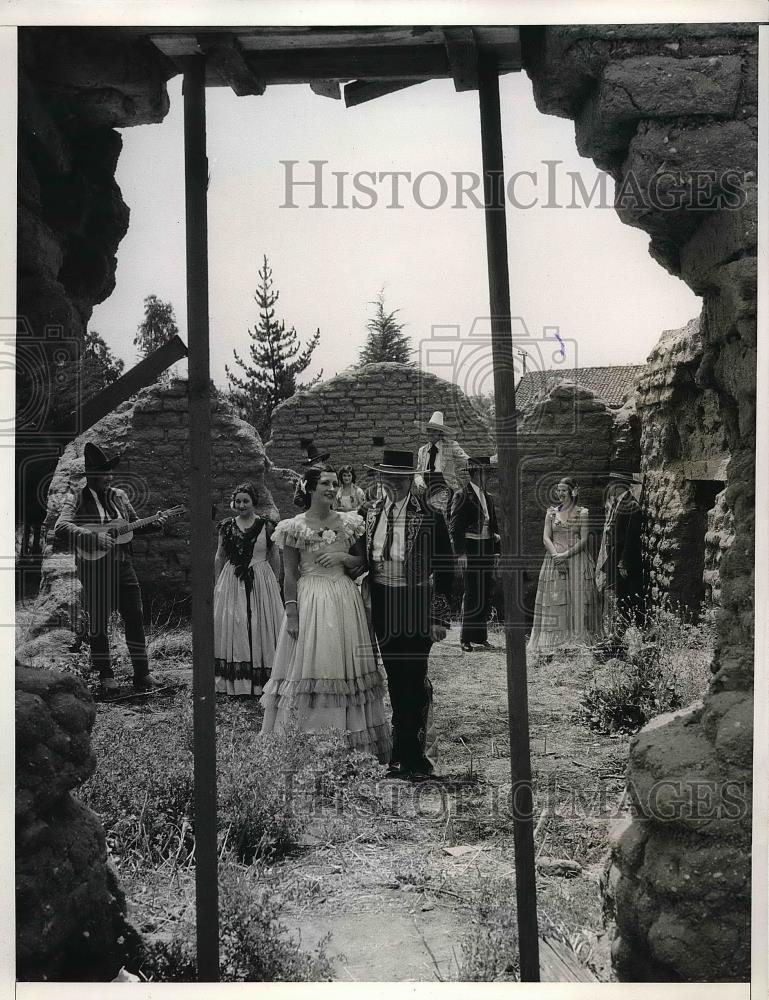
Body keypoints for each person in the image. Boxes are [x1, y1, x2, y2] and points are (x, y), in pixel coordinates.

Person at [260, 465, 391, 762]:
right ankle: (307, 743)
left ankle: (349, 744)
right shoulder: (293, 526)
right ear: (309, 488)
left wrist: (343, 556)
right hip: (310, 600)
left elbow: (362, 562)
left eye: (334, 484)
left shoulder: (350, 522)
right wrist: (291, 612)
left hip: (344, 598)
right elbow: (290, 575)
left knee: (342, 667)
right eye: (325, 484)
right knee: (312, 666)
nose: (332, 489)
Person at [363, 449, 454, 779]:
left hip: (416, 603)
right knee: (395, 677)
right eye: (387, 478)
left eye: (400, 478)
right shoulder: (371, 512)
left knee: (414, 679)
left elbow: (446, 567)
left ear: (411, 479)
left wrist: (439, 617)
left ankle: (415, 758)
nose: (393, 484)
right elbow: (365, 559)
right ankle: (398, 753)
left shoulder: (429, 515)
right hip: (384, 604)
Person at [54, 441, 168, 695]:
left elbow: (134, 525)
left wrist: (155, 522)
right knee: (99, 623)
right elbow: (61, 527)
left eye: (109, 473)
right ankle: (106, 676)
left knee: (135, 618)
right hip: (94, 569)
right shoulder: (76, 497)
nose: (108, 477)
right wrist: (93, 537)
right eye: (103, 473)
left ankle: (142, 674)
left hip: (123, 566)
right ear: (91, 476)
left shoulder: (119, 496)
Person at [213, 481, 284, 697]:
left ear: (254, 502)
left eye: (246, 501)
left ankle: (264, 679)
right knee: (237, 623)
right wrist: (218, 585)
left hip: (261, 579)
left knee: (260, 624)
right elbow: (220, 556)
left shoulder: (267, 526)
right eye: (238, 501)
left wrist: (275, 583)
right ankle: (237, 682)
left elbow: (274, 556)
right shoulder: (226, 526)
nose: (242, 505)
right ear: (234, 503)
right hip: (232, 580)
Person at [527, 476, 600, 656]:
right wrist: (556, 556)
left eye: (564, 491)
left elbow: (583, 540)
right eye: (558, 490)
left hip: (575, 559)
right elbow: (546, 537)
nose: (560, 494)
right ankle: (555, 641)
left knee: (577, 598)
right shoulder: (551, 512)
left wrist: (565, 555)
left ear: (573, 492)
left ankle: (577, 639)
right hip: (554, 559)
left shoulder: (582, 513)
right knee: (555, 598)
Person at [449, 457, 501, 652]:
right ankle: (465, 638)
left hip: (487, 547)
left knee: (484, 591)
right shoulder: (462, 495)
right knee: (471, 592)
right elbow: (455, 527)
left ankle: (480, 636)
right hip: (470, 548)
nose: (488, 476)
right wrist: (460, 553)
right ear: (478, 473)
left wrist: (496, 550)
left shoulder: (487, 496)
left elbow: (493, 524)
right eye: (486, 472)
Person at [594, 470, 644, 658]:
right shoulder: (617, 504)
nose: (610, 487)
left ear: (622, 486)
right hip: (614, 556)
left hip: (624, 560)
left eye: (613, 484)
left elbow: (631, 537)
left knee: (624, 596)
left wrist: (623, 562)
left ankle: (623, 635)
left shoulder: (632, 506)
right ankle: (616, 635)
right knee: (615, 593)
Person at [413, 411, 469, 511]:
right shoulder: (422, 450)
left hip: (446, 490)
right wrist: (419, 482)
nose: (430, 434)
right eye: (429, 430)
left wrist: (484, 462)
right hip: (427, 490)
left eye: (434, 431)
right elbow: (418, 471)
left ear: (440, 433)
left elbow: (466, 460)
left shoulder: (451, 446)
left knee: (444, 520)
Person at [293, 442, 331, 510]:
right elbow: (297, 499)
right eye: (314, 464)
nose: (320, 466)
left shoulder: (329, 476)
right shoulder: (304, 478)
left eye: (320, 462)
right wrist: (308, 507)